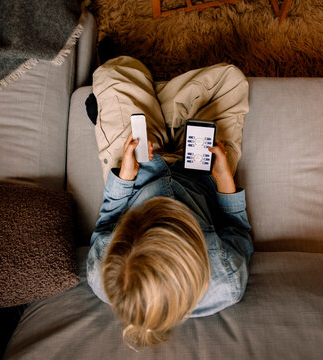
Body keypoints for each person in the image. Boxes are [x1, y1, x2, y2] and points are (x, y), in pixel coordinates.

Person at [86, 54, 254, 348]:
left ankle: (152, 115)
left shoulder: (103, 272)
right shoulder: (228, 282)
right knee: (231, 79)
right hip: (203, 175)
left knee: (112, 70)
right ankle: (162, 114)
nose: (168, 198)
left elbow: (107, 221)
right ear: (201, 255)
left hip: (140, 167)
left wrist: (125, 177)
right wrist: (225, 179)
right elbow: (237, 230)